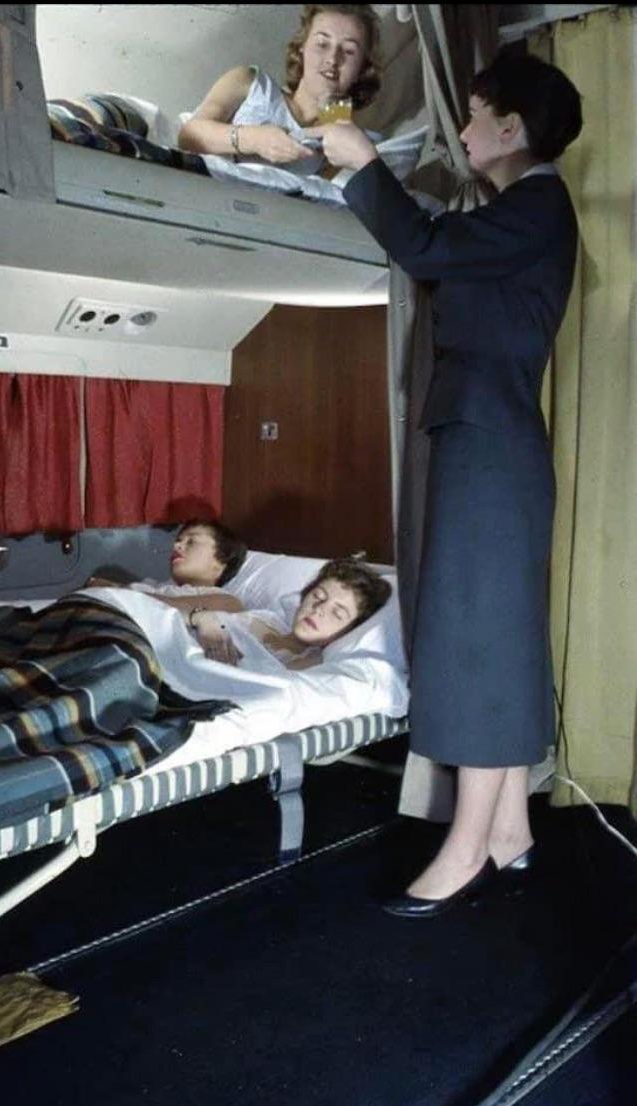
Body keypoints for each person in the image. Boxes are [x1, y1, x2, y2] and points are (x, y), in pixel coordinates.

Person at [305, 52, 583, 916]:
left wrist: (363, 165)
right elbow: (438, 252)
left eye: (472, 116)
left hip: (491, 451)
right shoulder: (514, 214)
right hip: (488, 446)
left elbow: (425, 247)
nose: (462, 133)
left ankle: (465, 848)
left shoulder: (536, 203)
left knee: (476, 646)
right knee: (492, 642)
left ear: (510, 128)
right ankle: (506, 833)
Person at [177, 4, 382, 178]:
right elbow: (188, 135)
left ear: (362, 68)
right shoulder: (249, 82)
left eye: (348, 51)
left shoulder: (345, 140)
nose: (332, 59)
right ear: (302, 47)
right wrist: (254, 140)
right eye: (322, 43)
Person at [185, 558, 390, 669]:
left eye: (337, 613)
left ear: (349, 630)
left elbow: (256, 689)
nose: (319, 609)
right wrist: (202, 617)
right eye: (318, 596)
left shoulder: (311, 662)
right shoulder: (267, 618)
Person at [86, 519, 248, 620]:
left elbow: (170, 609)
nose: (176, 545)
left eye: (191, 542)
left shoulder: (226, 601)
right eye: (178, 540)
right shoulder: (153, 587)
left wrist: (122, 593)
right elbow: (94, 585)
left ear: (220, 562)